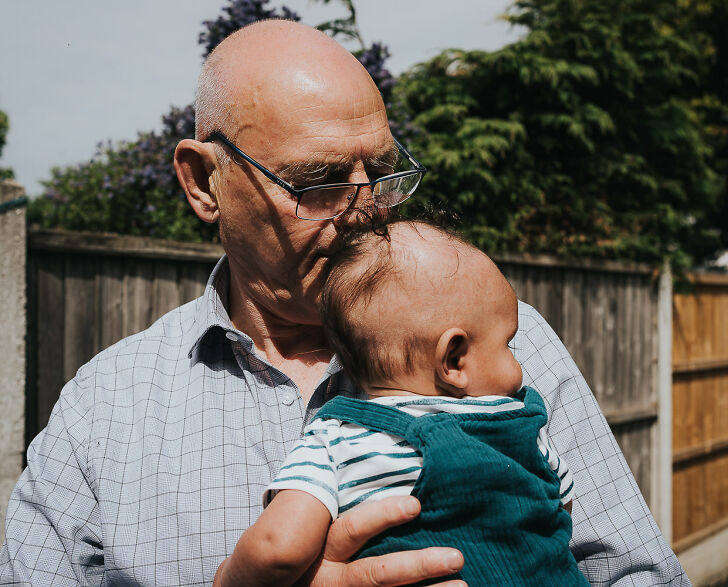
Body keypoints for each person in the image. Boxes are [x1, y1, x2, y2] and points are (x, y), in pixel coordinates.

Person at [0, 19, 689, 586]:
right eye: (319, 181)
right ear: (205, 182)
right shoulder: (104, 410)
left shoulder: (500, 343)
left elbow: (639, 574)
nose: (368, 211)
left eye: (381, 171)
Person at [215, 220, 591, 587]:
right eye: (507, 344)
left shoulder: (336, 440)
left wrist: (228, 578)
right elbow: (560, 511)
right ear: (454, 359)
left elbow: (279, 549)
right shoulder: (522, 422)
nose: (518, 365)